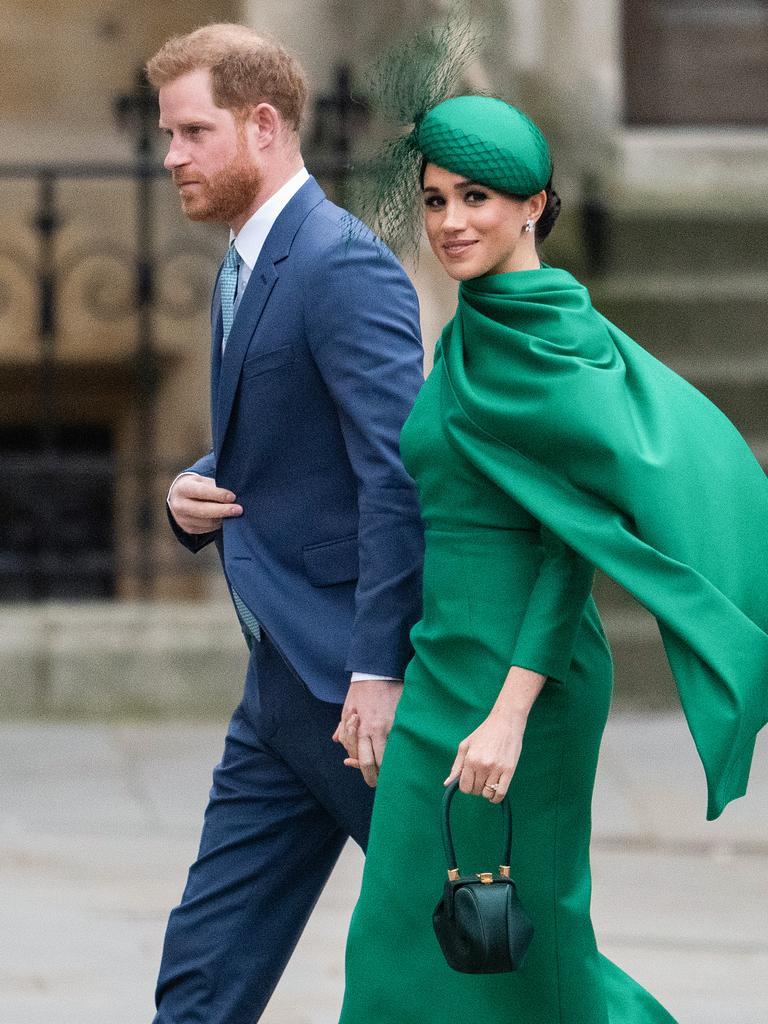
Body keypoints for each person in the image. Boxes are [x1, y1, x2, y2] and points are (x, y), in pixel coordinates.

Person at [338, 95, 768, 1023]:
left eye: (478, 198)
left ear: (534, 204)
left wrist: (508, 717)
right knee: (403, 934)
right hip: (443, 663)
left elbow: (569, 547)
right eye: (437, 199)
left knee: (525, 948)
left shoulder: (553, 339)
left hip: (522, 683)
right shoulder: (469, 332)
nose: (452, 222)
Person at [146, 23, 424, 1024]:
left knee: (474, 953)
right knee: (203, 975)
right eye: (167, 133)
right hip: (279, 693)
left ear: (262, 126)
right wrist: (196, 490)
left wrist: (377, 671)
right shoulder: (251, 262)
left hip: (358, 702)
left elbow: (397, 474)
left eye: (190, 132)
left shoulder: (340, 265)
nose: (170, 155)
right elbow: (292, 441)